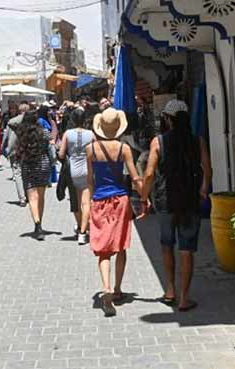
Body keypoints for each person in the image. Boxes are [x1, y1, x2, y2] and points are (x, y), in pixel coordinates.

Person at [141, 100, 212, 311]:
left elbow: (150, 173)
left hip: (165, 201)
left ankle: (170, 289)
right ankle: (184, 297)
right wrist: (203, 189)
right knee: (187, 249)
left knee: (166, 245)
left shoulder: (158, 142)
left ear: (168, 119)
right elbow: (207, 170)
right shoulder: (197, 141)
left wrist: (144, 198)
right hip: (190, 200)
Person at [87, 108, 143, 317]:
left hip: (100, 200)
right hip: (120, 200)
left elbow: (90, 180)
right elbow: (135, 177)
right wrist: (143, 196)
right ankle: (118, 289)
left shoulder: (91, 149)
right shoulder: (124, 148)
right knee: (120, 246)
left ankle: (106, 286)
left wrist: (92, 201)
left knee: (103, 250)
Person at [58, 103, 99, 245]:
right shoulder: (91, 134)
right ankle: (83, 231)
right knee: (86, 202)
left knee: (75, 202)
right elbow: (96, 152)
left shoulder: (67, 134)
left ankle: (82, 227)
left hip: (72, 171)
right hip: (88, 171)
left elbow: (62, 154)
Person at [16, 111, 52, 240]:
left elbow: (18, 149)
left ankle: (37, 224)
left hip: (28, 164)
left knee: (32, 197)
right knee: (41, 196)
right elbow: (50, 142)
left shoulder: (21, 134)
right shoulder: (43, 132)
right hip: (43, 163)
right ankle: (39, 223)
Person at [1, 103, 29, 207]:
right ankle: (28, 195)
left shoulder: (11, 122)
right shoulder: (31, 121)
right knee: (26, 173)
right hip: (27, 150)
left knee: (17, 174)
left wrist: (3, 148)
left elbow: (6, 136)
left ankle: (22, 198)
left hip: (15, 150)